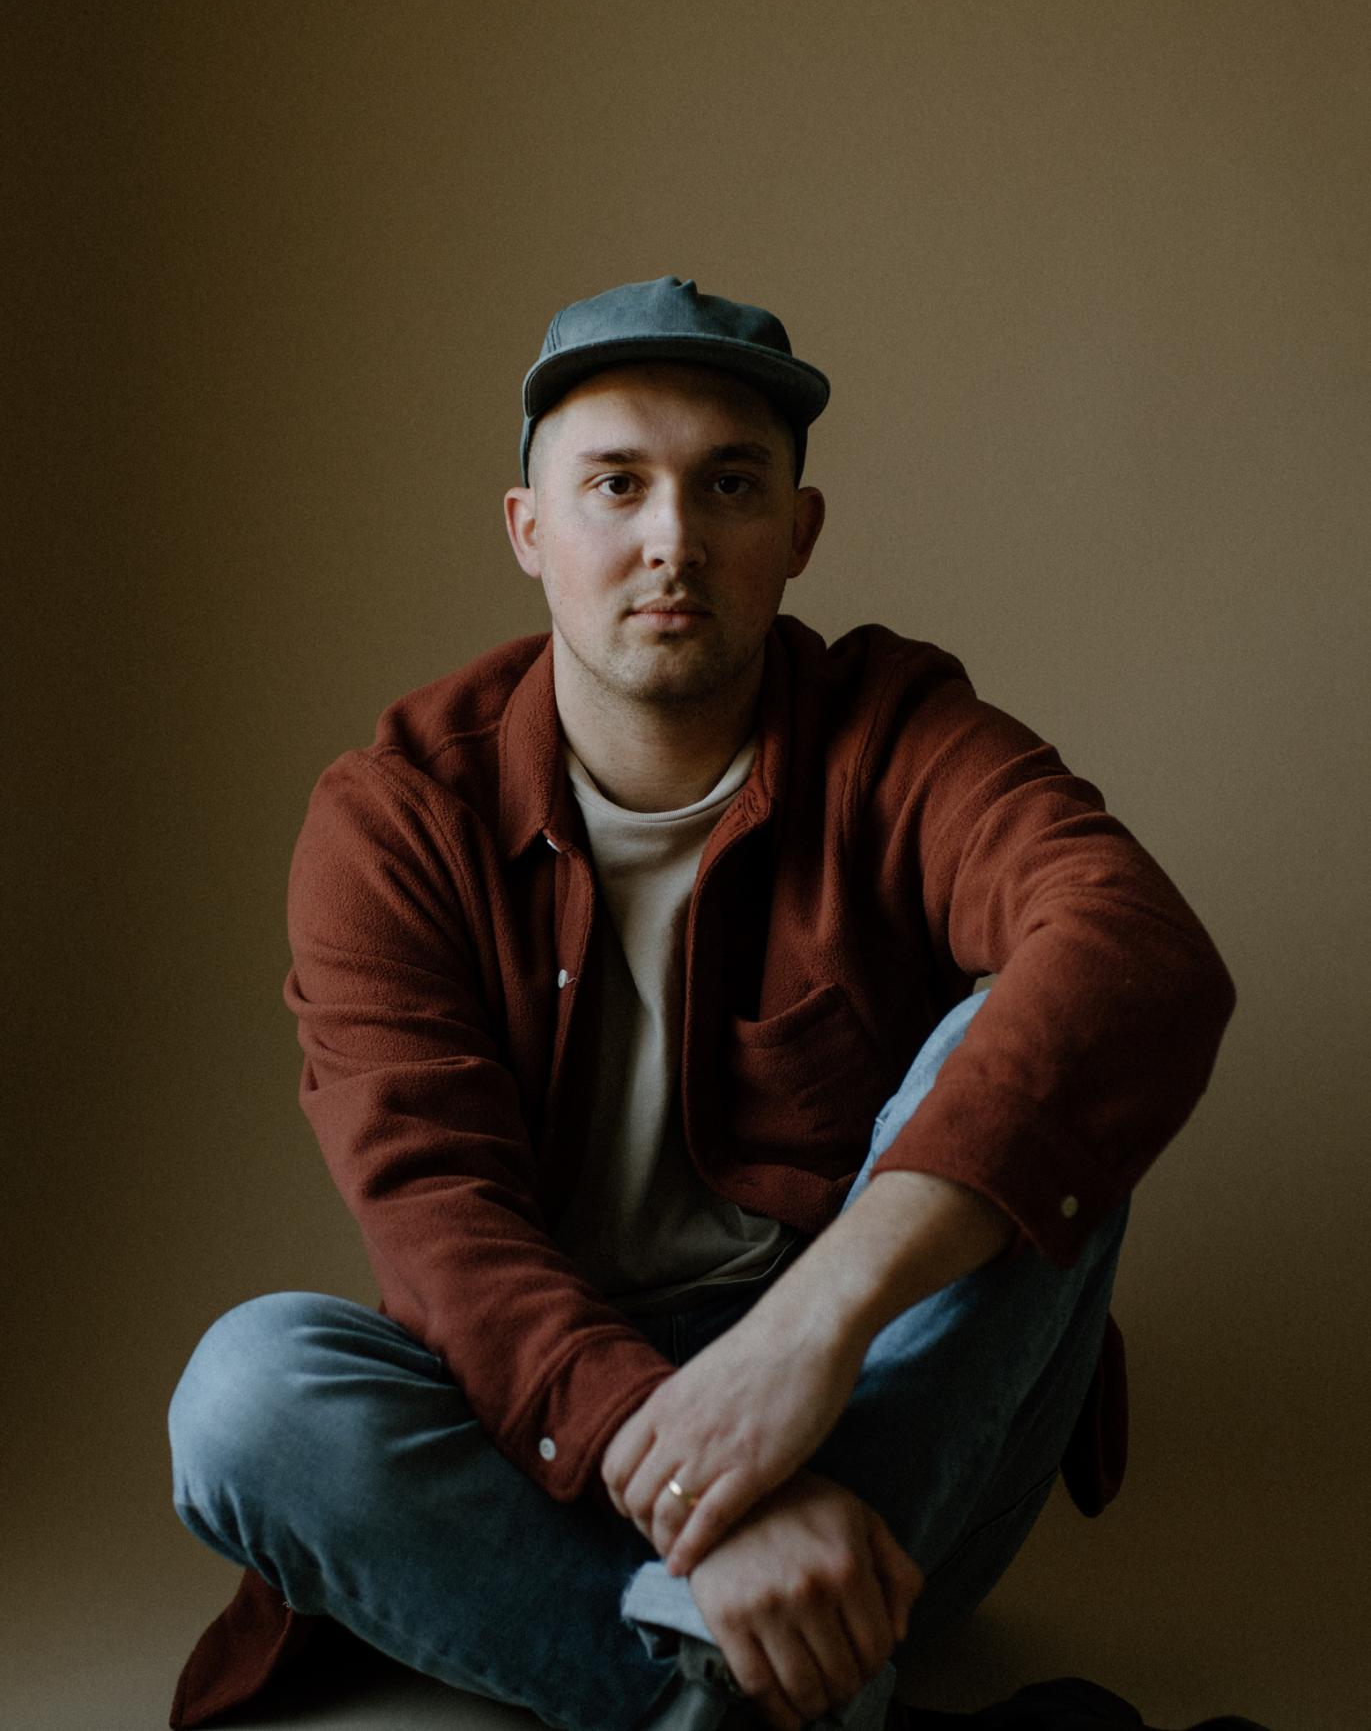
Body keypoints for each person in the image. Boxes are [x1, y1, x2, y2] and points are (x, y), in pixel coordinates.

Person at [167, 277, 1235, 1731]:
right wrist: (702, 1486)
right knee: (246, 1393)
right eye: (616, 484)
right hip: (554, 1435)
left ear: (798, 533)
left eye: (729, 485)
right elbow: (440, 1223)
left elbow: (1136, 948)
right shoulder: (396, 818)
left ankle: (749, 1666)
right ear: (529, 530)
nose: (672, 538)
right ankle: (774, 1684)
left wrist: (808, 1342)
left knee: (1032, 1058)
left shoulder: (896, 732)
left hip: (876, 1437)